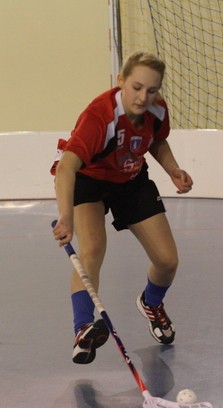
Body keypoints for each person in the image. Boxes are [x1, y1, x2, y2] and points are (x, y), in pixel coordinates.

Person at [51, 51, 194, 364]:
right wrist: (66, 218)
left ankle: (151, 303)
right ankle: (83, 328)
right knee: (92, 249)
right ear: (121, 81)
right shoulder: (100, 116)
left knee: (167, 261)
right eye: (137, 88)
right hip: (89, 179)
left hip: (130, 178)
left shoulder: (156, 109)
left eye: (152, 90)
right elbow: (66, 167)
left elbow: (157, 141)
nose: (143, 97)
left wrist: (173, 169)